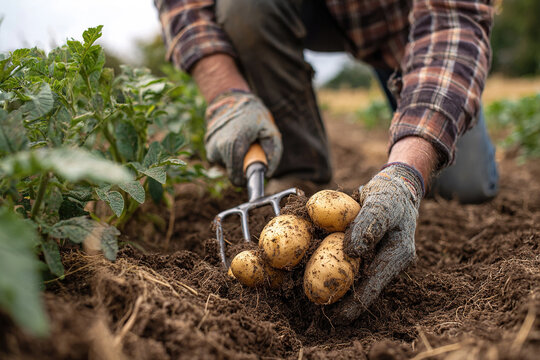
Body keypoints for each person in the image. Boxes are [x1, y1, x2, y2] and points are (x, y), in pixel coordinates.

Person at [154, 0, 499, 324]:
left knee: (465, 184)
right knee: (244, 7)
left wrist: (407, 173)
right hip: (306, 12)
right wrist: (225, 93)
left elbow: (456, 20)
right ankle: (298, 171)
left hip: (409, 34)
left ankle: (411, 131)